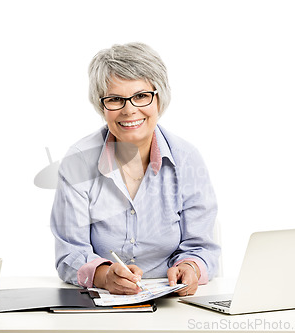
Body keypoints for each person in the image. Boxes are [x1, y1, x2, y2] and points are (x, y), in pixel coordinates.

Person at [50, 42, 220, 296]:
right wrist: (105, 276)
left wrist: (191, 267)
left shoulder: (187, 159)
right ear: (102, 106)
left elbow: (203, 248)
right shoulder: (79, 162)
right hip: (103, 303)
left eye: (141, 96)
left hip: (174, 302)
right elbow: (70, 253)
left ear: (159, 98)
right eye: (116, 99)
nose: (129, 110)